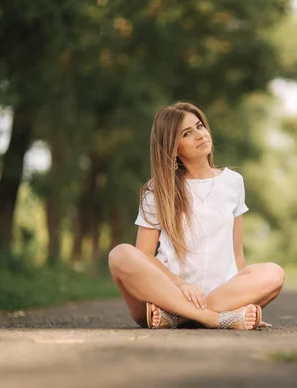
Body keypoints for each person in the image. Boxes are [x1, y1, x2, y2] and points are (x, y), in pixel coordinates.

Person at [109, 101, 285, 330]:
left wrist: (245, 293)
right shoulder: (158, 189)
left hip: (215, 297)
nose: (200, 135)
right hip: (163, 297)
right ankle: (214, 319)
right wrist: (180, 285)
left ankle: (179, 317)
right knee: (120, 254)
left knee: (274, 273)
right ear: (173, 148)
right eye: (187, 133)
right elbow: (144, 255)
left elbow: (236, 252)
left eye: (200, 126)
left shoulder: (233, 182)